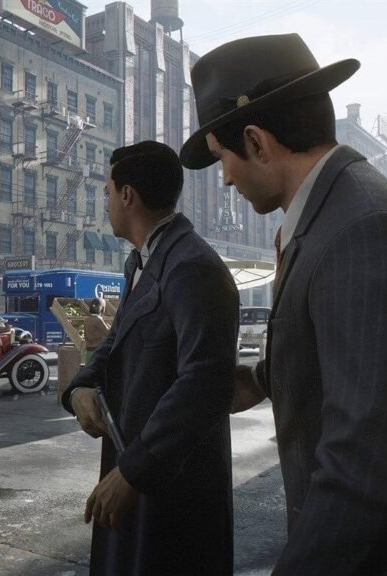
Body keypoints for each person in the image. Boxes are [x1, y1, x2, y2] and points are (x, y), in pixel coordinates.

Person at [180, 33, 387, 574]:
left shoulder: (367, 231)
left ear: (256, 141)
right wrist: (261, 377)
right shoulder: (332, 217)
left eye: (222, 158)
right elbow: (351, 357)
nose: (226, 178)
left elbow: (366, 481)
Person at [61, 141, 239, 575]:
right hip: (139, 470)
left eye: (107, 192)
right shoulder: (142, 261)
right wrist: (80, 387)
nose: (104, 202)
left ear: (127, 196)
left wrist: (134, 472)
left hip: (172, 485)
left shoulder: (192, 265)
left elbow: (204, 382)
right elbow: (116, 340)